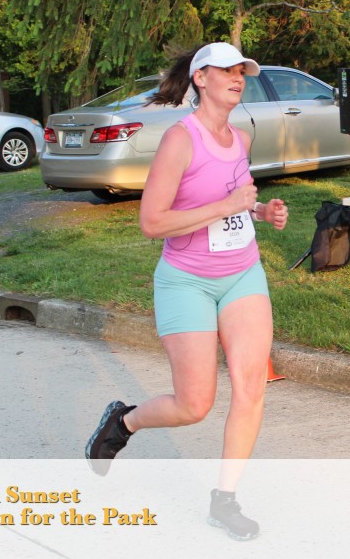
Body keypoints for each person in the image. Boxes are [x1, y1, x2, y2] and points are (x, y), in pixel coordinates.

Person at [84, 42, 288, 541]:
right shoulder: (180, 139)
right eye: (227, 70)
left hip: (243, 273)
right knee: (194, 404)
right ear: (200, 78)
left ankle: (225, 500)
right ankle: (124, 422)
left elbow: (233, 198)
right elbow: (152, 222)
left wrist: (260, 211)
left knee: (251, 387)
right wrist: (227, 206)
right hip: (187, 280)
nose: (238, 78)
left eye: (242, 71)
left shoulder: (240, 138)